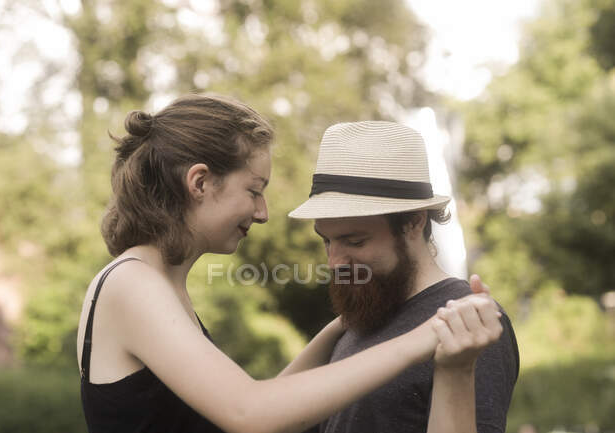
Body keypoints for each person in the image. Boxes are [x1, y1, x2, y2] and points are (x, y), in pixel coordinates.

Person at [76, 94, 504, 433]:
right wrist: (430, 333)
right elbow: (250, 413)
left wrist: (345, 323)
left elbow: (261, 402)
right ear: (200, 182)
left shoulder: (160, 285)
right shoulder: (133, 283)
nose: (262, 213)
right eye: (254, 189)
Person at [288, 120, 520, 433]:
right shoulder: (364, 314)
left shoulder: (469, 326)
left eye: (355, 241)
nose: (334, 262)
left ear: (413, 222)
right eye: (326, 240)